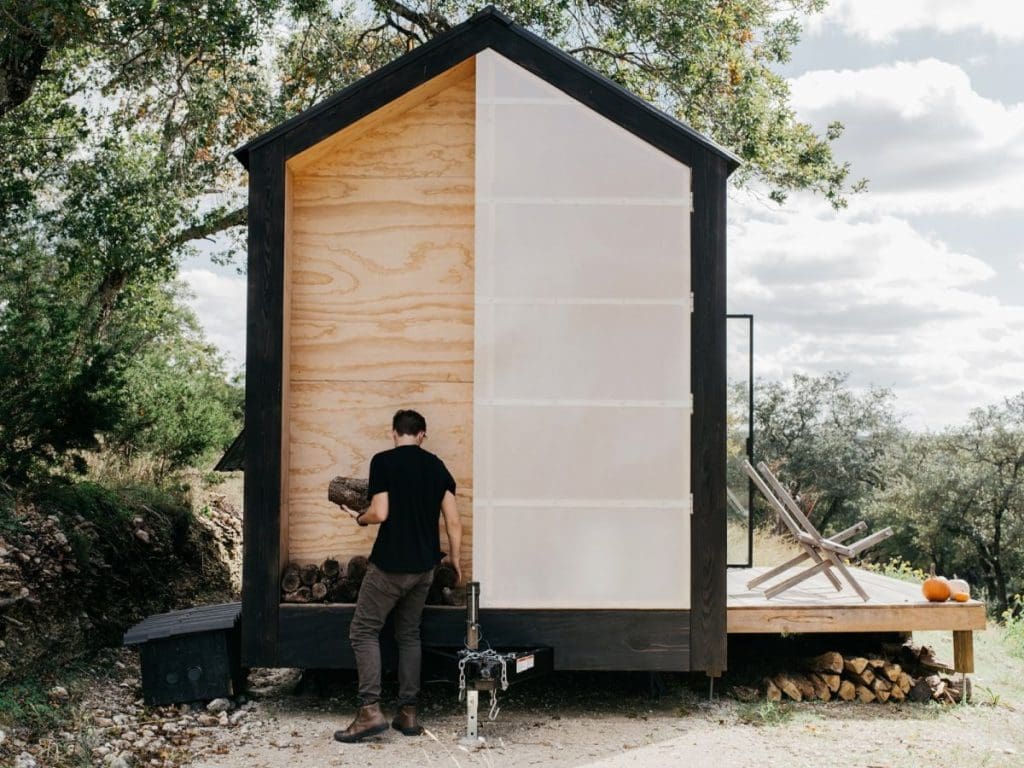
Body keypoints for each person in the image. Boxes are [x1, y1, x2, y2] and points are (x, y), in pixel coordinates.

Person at [334, 409, 463, 743]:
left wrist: (359, 518)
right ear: (422, 435)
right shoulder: (436, 466)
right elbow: (453, 521)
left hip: (390, 566)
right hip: (424, 569)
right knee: (409, 635)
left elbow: (380, 512)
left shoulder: (383, 462)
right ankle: (407, 713)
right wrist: (458, 561)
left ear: (394, 433)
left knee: (363, 631)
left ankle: (369, 712)